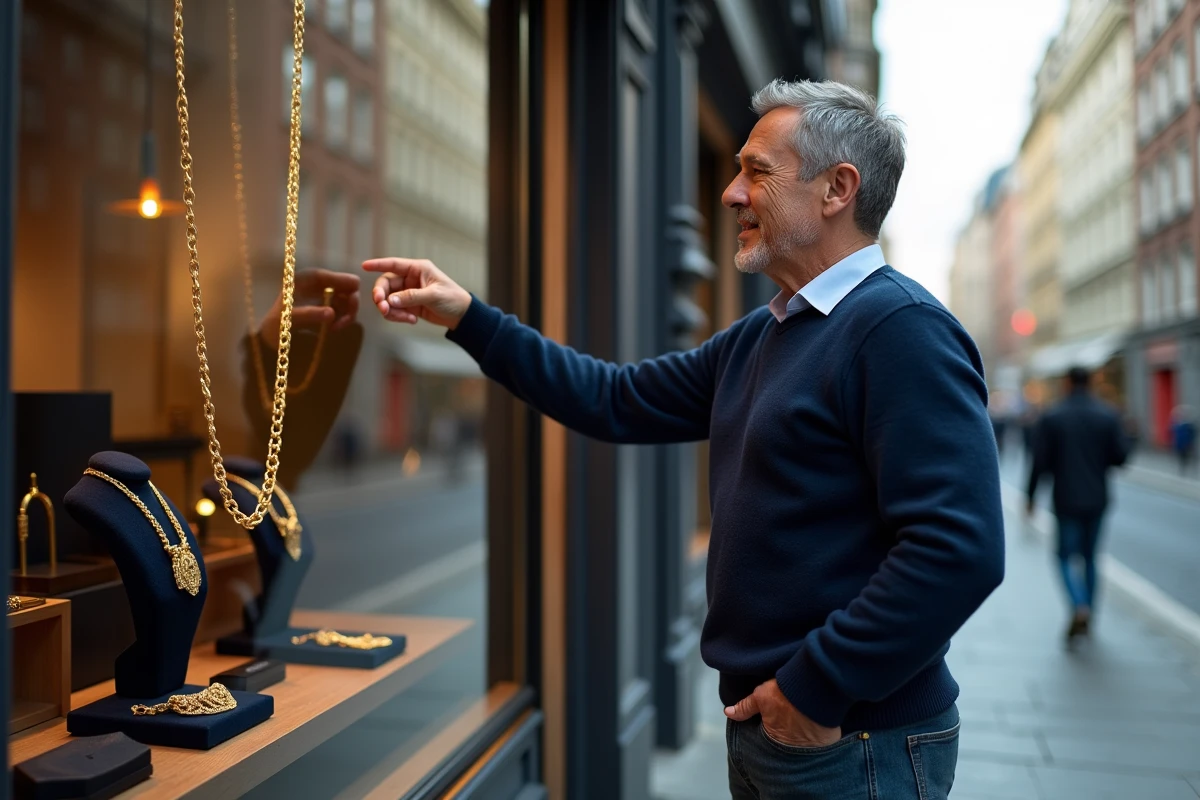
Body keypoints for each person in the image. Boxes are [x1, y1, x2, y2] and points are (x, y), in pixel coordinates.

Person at [364, 79, 1004, 799]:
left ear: (837, 189)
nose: (731, 193)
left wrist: (815, 691)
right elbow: (613, 399)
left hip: (851, 740)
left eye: (756, 172)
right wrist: (469, 317)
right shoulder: (764, 336)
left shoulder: (901, 330)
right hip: (782, 729)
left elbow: (958, 549)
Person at [1026, 366, 1131, 644]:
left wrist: (1030, 497)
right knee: (1091, 558)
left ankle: (1078, 604)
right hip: (1098, 499)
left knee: (1063, 556)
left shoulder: (1053, 416)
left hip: (1066, 499)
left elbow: (1040, 462)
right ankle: (1090, 615)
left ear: (1068, 383)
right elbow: (1121, 458)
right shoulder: (1107, 414)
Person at [1170, 405, 1197, 477]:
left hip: (1187, 443)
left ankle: (1190, 468)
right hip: (1179, 443)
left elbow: (1193, 434)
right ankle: (1183, 469)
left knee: (1187, 456)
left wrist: (1190, 442)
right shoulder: (1176, 424)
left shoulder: (1189, 425)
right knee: (1181, 457)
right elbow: (1172, 433)